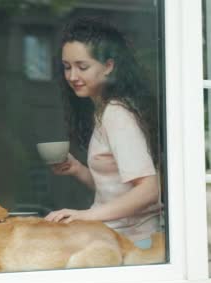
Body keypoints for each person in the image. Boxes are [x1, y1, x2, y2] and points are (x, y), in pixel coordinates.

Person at [44, 17, 162, 249]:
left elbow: (149, 190)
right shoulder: (105, 110)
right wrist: (77, 169)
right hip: (116, 238)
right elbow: (116, 190)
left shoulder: (117, 114)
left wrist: (85, 215)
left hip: (134, 244)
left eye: (82, 66)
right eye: (67, 67)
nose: (72, 76)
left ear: (108, 66)